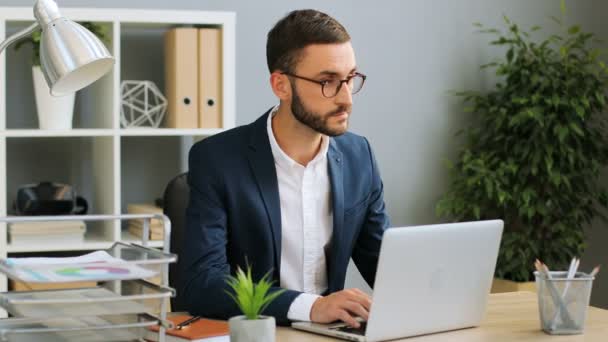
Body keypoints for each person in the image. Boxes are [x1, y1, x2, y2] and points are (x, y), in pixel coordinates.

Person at [180, 9, 390, 327]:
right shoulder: (216, 160)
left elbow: (383, 264)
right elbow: (202, 283)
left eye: (350, 79)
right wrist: (310, 307)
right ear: (281, 85)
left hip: (329, 334)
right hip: (255, 331)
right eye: (327, 82)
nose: (347, 98)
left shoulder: (359, 155)